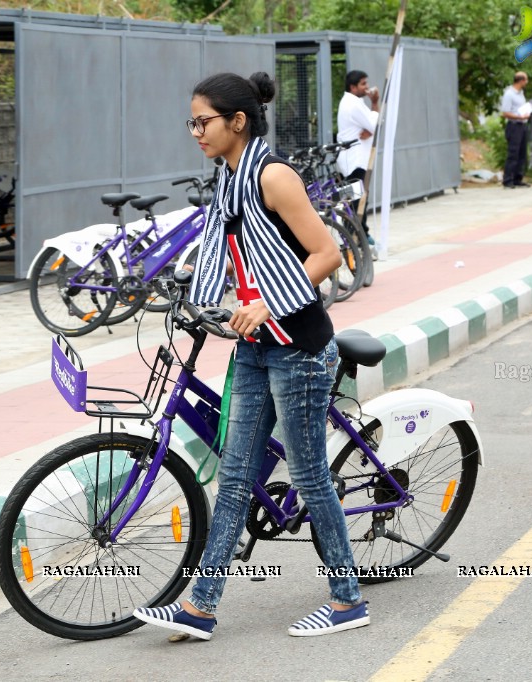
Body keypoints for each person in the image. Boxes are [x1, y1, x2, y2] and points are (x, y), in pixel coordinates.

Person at [134, 71, 367, 640]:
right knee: (235, 477)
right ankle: (201, 608)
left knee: (310, 477)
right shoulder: (229, 178)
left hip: (300, 348)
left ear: (237, 121)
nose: (196, 131)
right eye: (192, 121)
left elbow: (327, 254)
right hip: (258, 350)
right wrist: (192, 284)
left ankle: (347, 601)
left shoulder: (272, 176)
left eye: (203, 121)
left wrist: (266, 303)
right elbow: (229, 249)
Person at [335, 70, 379, 234]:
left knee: (359, 199)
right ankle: (356, 237)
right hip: (355, 160)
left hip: (354, 159)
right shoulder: (353, 104)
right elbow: (376, 125)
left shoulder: (353, 102)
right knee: (357, 201)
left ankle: (361, 235)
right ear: (353, 87)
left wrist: (372, 130)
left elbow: (373, 127)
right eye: (363, 84)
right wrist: (375, 103)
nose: (367, 87)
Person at [500, 71, 531, 188]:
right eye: (526, 80)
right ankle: (508, 179)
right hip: (514, 125)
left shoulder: (521, 93)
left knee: (522, 153)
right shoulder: (509, 94)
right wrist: (519, 116)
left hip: (522, 125)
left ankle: (518, 177)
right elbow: (505, 112)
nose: (527, 82)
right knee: (513, 153)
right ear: (521, 80)